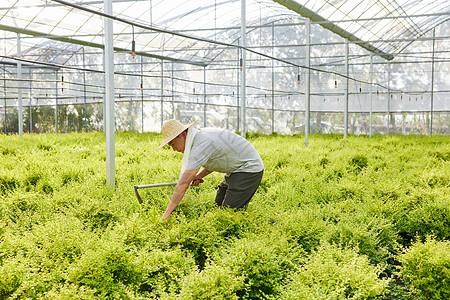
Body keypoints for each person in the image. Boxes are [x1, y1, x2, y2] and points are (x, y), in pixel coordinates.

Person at [157, 119, 264, 220]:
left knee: (228, 214)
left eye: (173, 144)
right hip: (234, 169)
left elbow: (183, 184)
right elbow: (217, 159)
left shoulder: (200, 145)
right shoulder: (198, 136)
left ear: (182, 135)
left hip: (248, 169)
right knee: (217, 208)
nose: (174, 149)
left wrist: (167, 213)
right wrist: (198, 176)